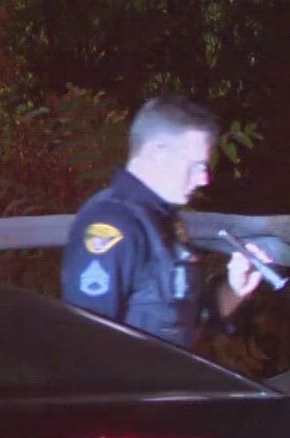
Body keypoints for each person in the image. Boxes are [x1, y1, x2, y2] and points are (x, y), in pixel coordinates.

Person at [61, 96, 262, 346]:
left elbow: (187, 321)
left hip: (170, 380)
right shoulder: (113, 224)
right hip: (135, 384)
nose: (204, 179)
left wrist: (234, 288)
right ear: (156, 152)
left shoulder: (163, 221)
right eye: (197, 165)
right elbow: (85, 343)